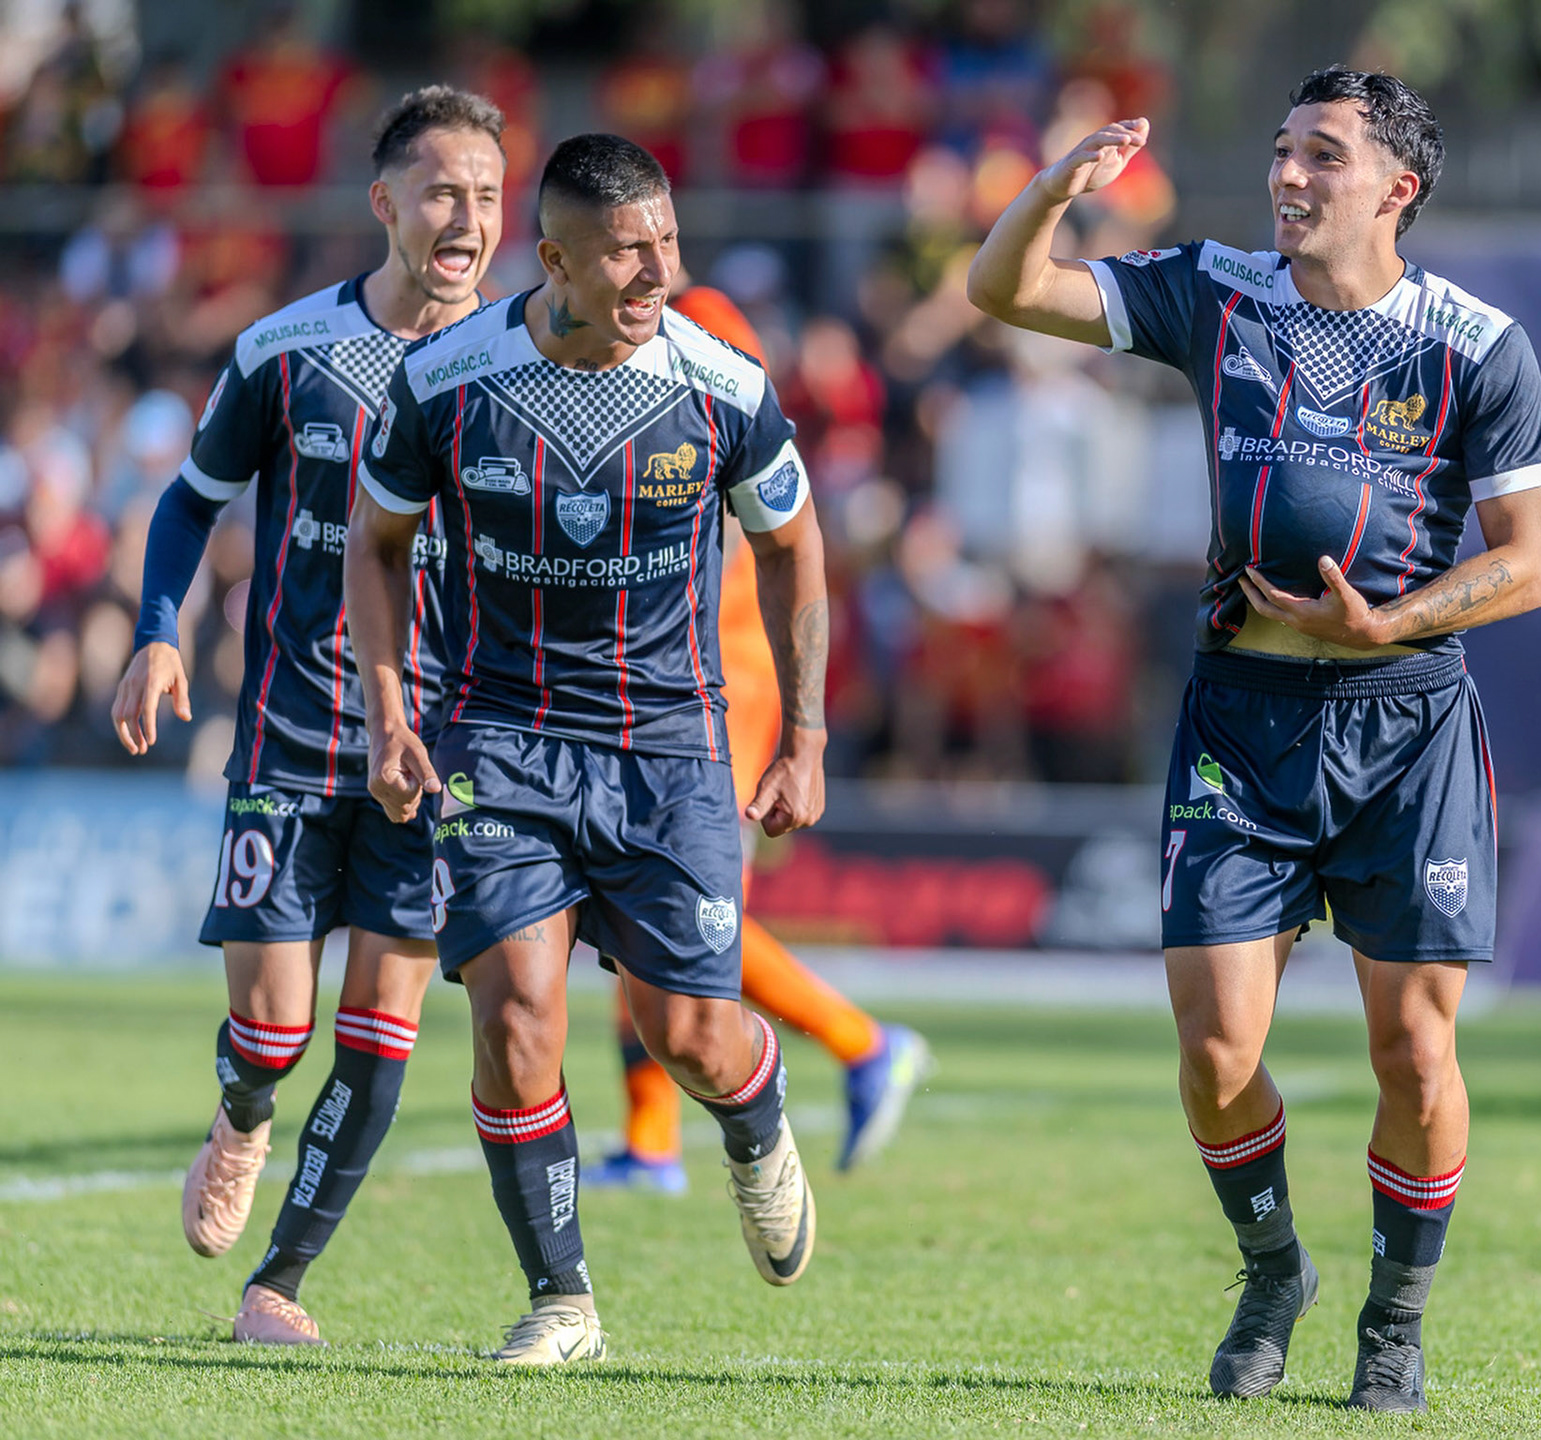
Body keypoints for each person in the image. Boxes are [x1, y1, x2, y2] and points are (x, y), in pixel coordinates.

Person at [967, 68, 1541, 1414]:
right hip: (1244, 717)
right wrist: (1051, 196)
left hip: (1405, 728)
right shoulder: (1218, 291)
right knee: (1217, 1050)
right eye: (1285, 150)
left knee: (1415, 1054)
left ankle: (1395, 1320)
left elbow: (1533, 565)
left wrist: (1388, 622)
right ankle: (1273, 1267)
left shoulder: (1478, 345)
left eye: (1324, 158)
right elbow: (1006, 294)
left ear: (1397, 189)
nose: (1289, 177)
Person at [346, 133, 828, 1367]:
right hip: (499, 741)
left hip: (669, 751)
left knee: (689, 1037)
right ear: (554, 258)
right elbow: (376, 543)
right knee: (518, 1023)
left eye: (667, 239)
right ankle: (562, 1300)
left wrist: (808, 731)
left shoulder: (722, 385)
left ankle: (757, 1107)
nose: (658, 268)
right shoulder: (450, 380)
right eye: (629, 249)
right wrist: (393, 713)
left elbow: (792, 543)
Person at [108, 87, 507, 1345]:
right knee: (274, 1032)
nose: (469, 218)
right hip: (290, 737)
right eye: (444, 190)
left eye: (490, 196)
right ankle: (242, 1111)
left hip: (428, 763)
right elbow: (188, 504)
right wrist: (158, 634)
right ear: (385, 203)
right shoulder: (288, 351)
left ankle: (275, 1287)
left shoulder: (518, 365)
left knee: (380, 1040)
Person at [585, 282, 931, 1193]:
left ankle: (863, 1044)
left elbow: (738, 438)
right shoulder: (647, 324)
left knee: (685, 911)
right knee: (642, 905)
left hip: (719, 669)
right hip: (679, 663)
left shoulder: (698, 323)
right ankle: (651, 1143)